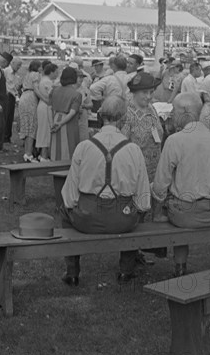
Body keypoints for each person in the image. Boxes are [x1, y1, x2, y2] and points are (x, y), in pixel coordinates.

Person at [60, 96, 151, 285]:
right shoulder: (133, 149)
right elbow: (143, 200)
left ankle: (72, 272)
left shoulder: (84, 147)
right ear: (124, 118)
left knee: (63, 210)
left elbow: (69, 195)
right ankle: (126, 269)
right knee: (137, 212)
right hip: (123, 220)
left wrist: (72, 208)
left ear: (101, 116)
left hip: (86, 219)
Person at [151, 92, 210, 276]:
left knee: (175, 199)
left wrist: (156, 213)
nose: (170, 115)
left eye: (173, 111)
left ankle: (180, 267)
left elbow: (160, 185)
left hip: (185, 215)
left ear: (183, 112)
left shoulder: (174, 140)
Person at [121, 72, 163, 181]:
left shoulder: (151, 108)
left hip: (154, 171)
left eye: (151, 92)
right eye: (144, 92)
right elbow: (121, 146)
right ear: (134, 92)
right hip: (134, 173)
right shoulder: (127, 113)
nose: (148, 96)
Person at [50, 67, 82, 161]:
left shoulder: (54, 90)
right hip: (68, 122)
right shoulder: (76, 94)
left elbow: (50, 107)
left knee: (56, 147)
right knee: (69, 144)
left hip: (56, 117)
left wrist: (54, 121)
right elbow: (72, 113)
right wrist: (61, 123)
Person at [18, 60, 42, 162]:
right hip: (31, 99)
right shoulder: (36, 75)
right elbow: (36, 89)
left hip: (23, 97)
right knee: (32, 126)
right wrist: (45, 99)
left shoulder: (26, 75)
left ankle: (27, 151)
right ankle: (28, 153)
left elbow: (17, 86)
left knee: (26, 125)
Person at [36, 62, 59, 161]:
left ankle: (43, 154)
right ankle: (44, 155)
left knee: (44, 130)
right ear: (52, 72)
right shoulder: (47, 82)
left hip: (43, 105)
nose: (57, 74)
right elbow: (52, 95)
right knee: (45, 130)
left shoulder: (44, 80)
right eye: (56, 72)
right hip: (45, 106)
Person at [3, 56, 23, 143]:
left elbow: (15, 86)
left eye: (20, 66)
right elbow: (8, 86)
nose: (19, 68)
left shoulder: (15, 74)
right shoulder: (6, 71)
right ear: (13, 63)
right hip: (7, 95)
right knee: (6, 116)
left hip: (13, 96)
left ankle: (7, 136)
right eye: (18, 65)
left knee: (10, 117)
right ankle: (4, 136)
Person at [77, 69, 94, 142]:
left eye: (82, 77)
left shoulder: (85, 90)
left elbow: (90, 104)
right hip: (73, 119)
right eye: (79, 77)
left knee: (83, 140)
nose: (81, 79)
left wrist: (84, 106)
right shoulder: (70, 90)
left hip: (83, 118)